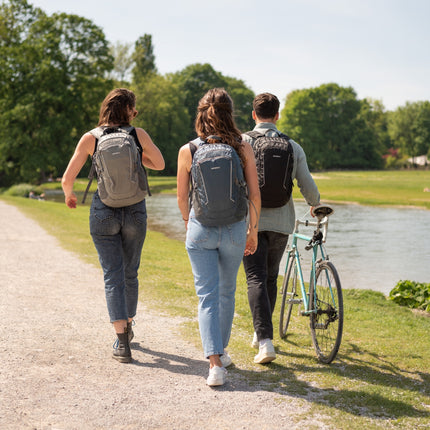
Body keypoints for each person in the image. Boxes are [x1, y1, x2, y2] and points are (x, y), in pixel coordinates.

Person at [61, 88, 165, 363]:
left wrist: (69, 195)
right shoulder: (137, 134)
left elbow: (67, 177)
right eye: (134, 108)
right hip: (134, 211)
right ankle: (128, 324)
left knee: (112, 275)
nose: (136, 113)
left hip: (103, 211)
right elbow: (160, 163)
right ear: (128, 110)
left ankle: (121, 343)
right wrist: (137, 159)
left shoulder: (90, 138)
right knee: (130, 271)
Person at [177, 88, 261, 386]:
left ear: (201, 114)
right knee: (226, 292)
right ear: (230, 114)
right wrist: (252, 230)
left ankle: (215, 365)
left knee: (207, 295)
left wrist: (189, 223)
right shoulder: (242, 147)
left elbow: (182, 197)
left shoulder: (188, 149)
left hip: (200, 228)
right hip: (235, 228)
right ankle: (221, 353)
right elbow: (254, 194)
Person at [242, 93, 320, 364]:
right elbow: (306, 182)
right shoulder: (292, 145)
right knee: (270, 277)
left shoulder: (242, 142)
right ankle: (262, 332)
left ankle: (264, 340)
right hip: (281, 222)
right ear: (277, 115)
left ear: (254, 115)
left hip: (250, 221)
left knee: (255, 278)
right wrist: (315, 203)